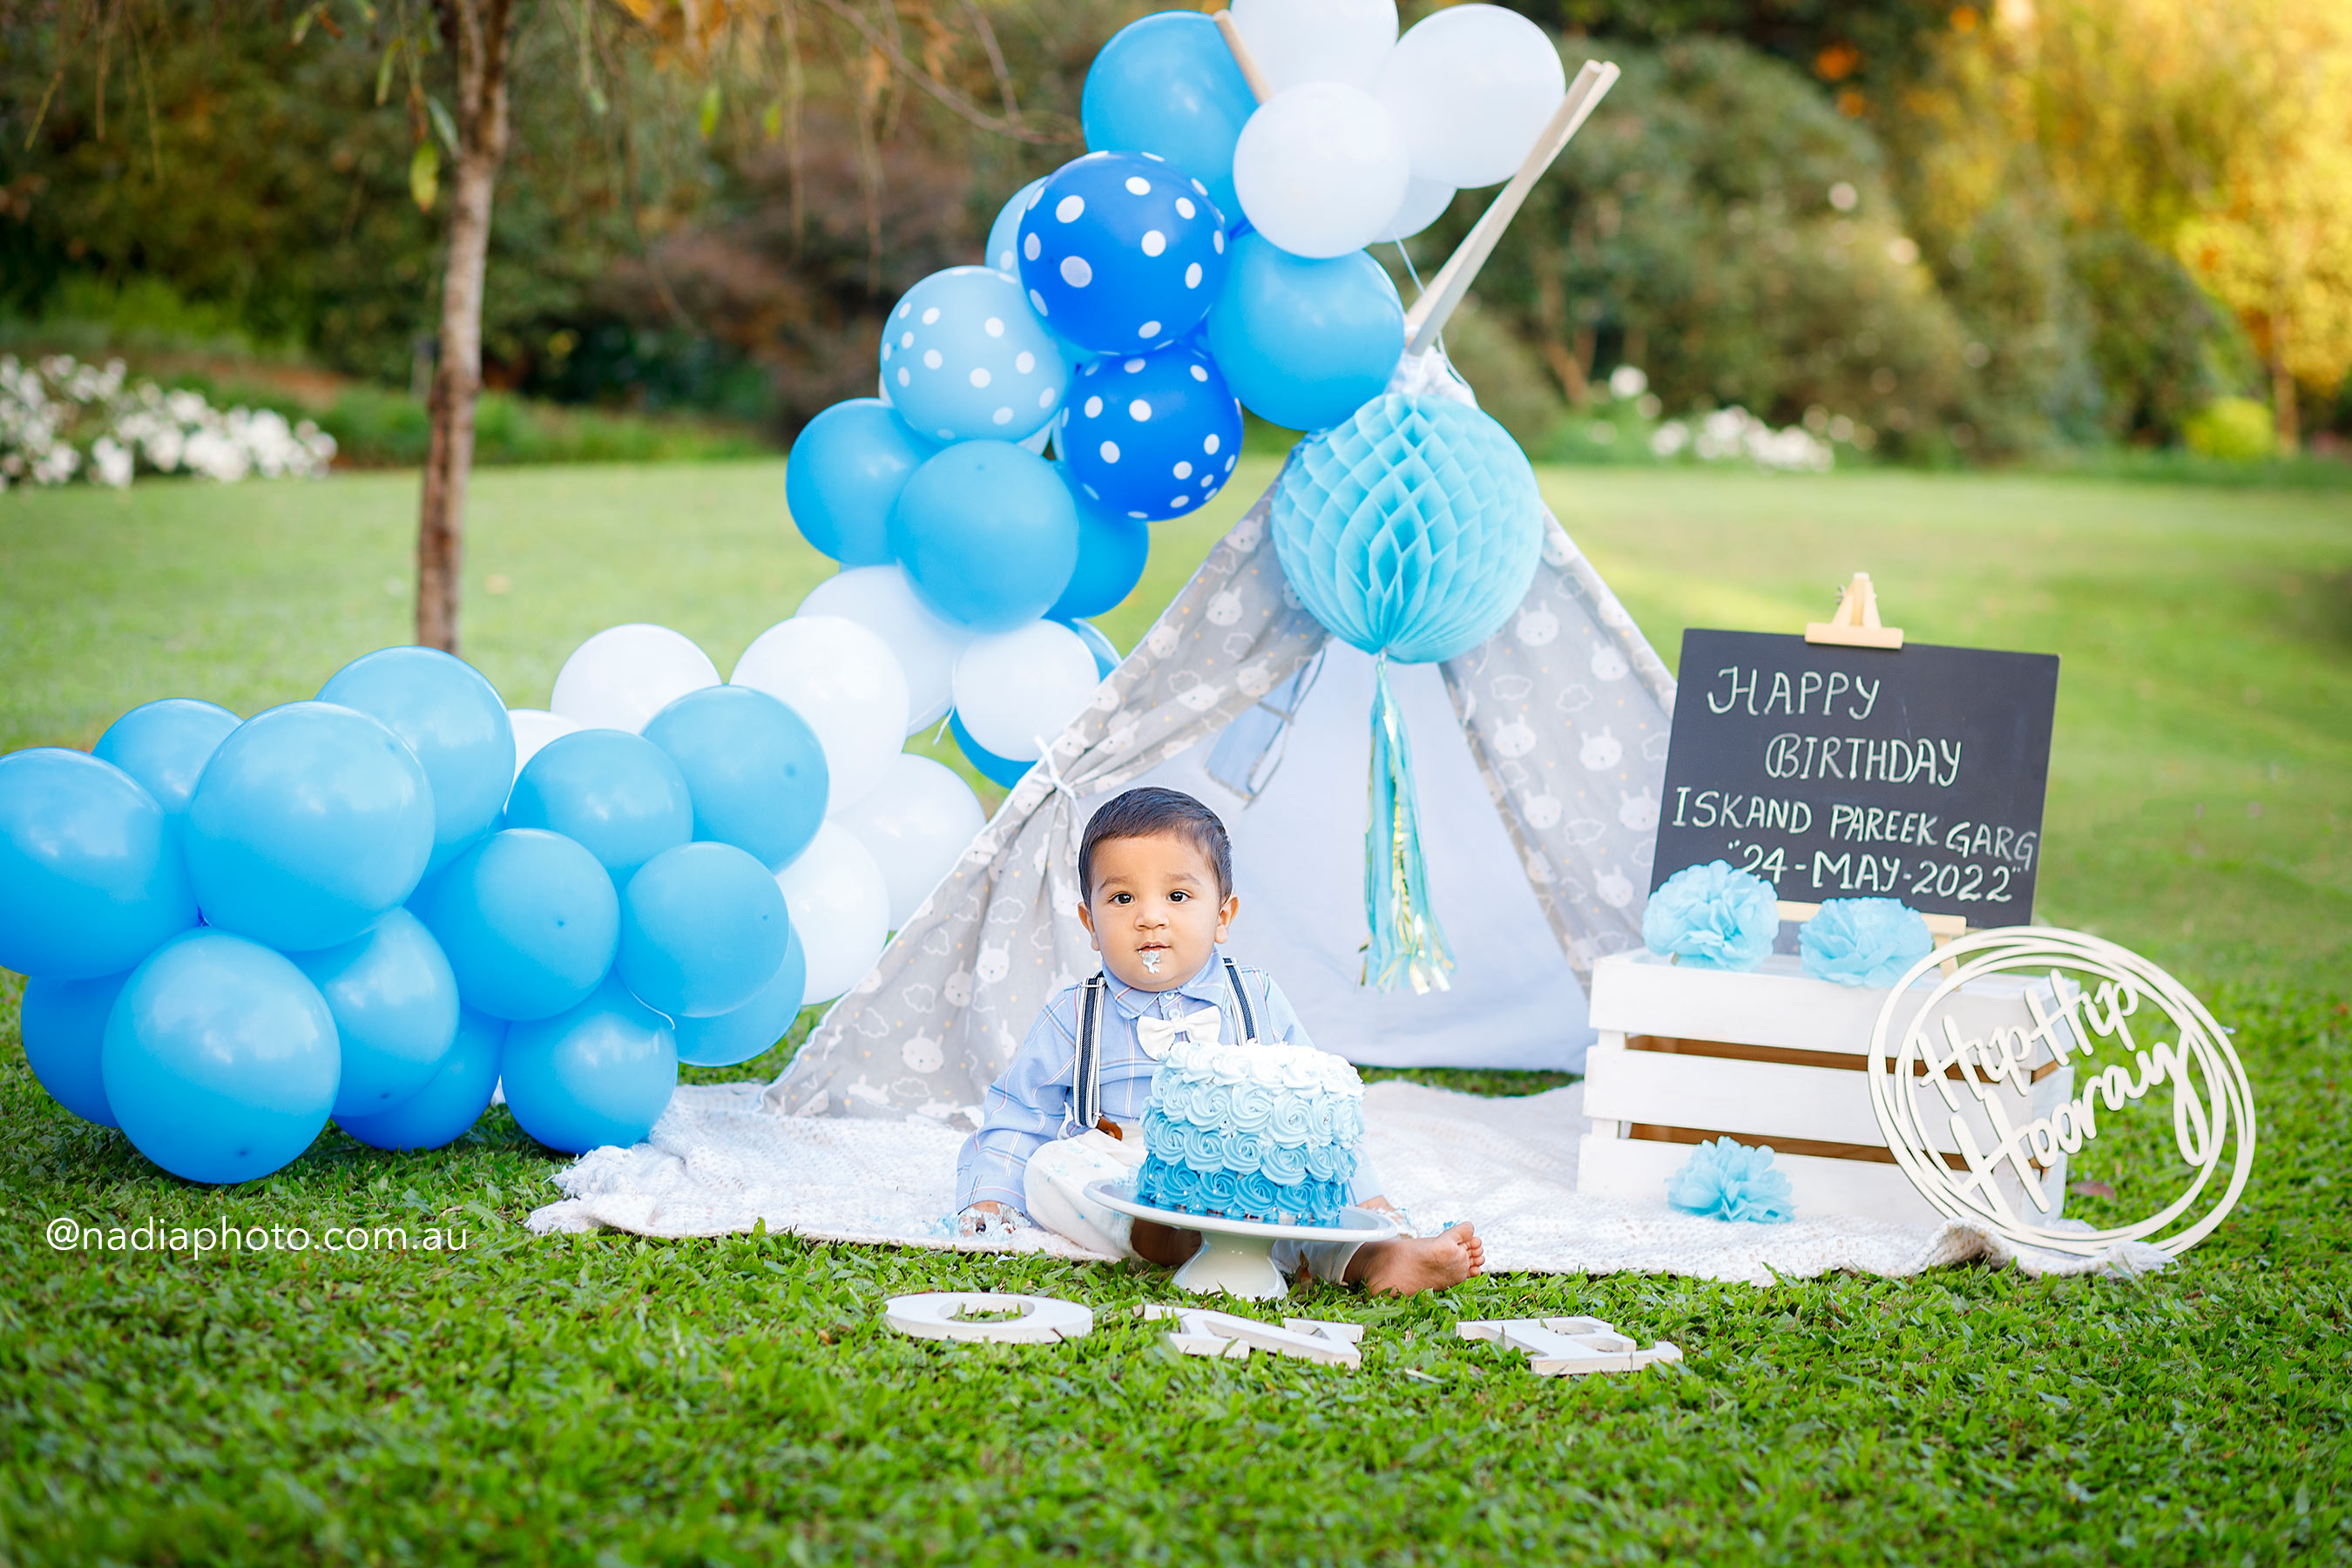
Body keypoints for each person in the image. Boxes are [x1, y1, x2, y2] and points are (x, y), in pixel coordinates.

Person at [956, 786, 1483, 1295]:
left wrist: (1371, 1199)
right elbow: (1019, 1114)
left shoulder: (1255, 997)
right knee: (1054, 1167)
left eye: (1178, 895)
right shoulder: (1075, 1013)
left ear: (1223, 916)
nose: (1150, 916)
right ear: (1090, 923)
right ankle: (1164, 1237)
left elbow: (1316, 1111)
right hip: (1126, 1172)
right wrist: (989, 1198)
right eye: (1122, 898)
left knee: (1295, 1192)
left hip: (1241, 1171)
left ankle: (1376, 1257)